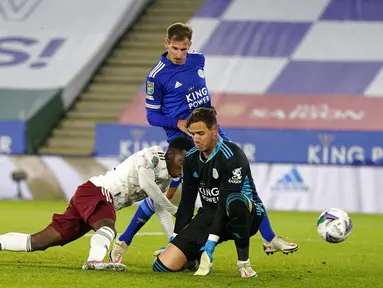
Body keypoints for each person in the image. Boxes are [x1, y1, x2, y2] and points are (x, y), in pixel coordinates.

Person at [110, 22, 298, 263]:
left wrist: (207, 109)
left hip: (211, 133)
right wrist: (177, 121)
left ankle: (268, 237)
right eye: (175, 48)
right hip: (183, 142)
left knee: (243, 179)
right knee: (166, 194)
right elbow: (151, 115)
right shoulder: (156, 77)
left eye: (184, 49)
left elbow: (198, 92)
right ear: (166, 43)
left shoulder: (198, 60)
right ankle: (125, 240)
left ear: (190, 46)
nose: (179, 54)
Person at [0, 136, 193, 271]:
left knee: (40, 241)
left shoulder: (166, 177)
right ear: (170, 154)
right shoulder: (151, 156)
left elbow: (158, 206)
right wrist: (176, 210)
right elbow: (146, 185)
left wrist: (173, 239)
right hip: (97, 192)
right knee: (108, 227)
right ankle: (94, 261)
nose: (184, 167)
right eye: (182, 160)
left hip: (92, 200)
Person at [153, 107, 265, 277]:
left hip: (245, 214)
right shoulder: (191, 158)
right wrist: (174, 238)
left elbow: (224, 202)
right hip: (210, 214)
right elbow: (187, 203)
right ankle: (193, 260)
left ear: (214, 130)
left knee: (234, 202)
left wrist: (211, 244)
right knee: (162, 266)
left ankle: (244, 265)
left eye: (200, 133)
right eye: (193, 134)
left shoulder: (233, 155)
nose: (196, 139)